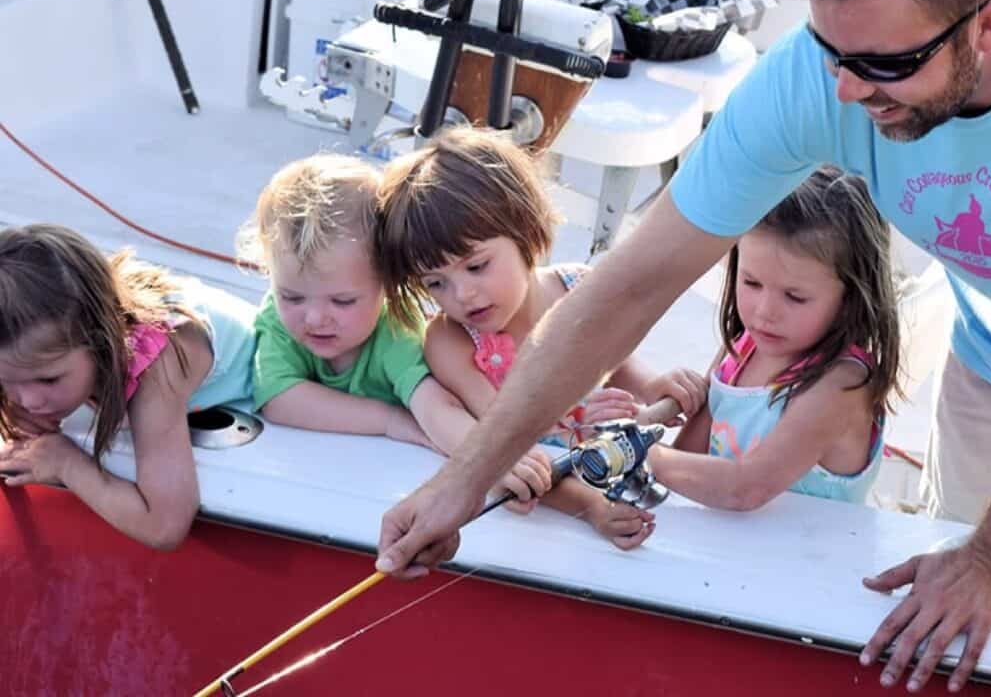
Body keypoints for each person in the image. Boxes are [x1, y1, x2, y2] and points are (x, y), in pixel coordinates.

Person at [375, 0, 991, 691]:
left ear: (989, 25)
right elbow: (632, 284)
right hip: (990, 352)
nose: (844, 90)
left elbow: (990, 563)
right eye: (828, 50)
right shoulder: (819, 76)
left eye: (883, 66)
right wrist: (467, 476)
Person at [374, 127, 707, 547]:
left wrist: (652, 388)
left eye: (476, 266)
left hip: (604, 455)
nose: (462, 295)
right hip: (540, 479)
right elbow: (504, 439)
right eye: (436, 283)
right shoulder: (449, 340)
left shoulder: (580, 289)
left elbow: (617, 362)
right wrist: (591, 504)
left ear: (524, 230)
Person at [239, 153, 550, 501]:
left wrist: (492, 460)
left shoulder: (395, 330)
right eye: (292, 297)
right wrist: (389, 421)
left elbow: (436, 409)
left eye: (342, 301)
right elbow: (279, 400)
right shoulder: (277, 320)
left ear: (389, 287)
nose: (313, 318)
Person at [646, 166, 901, 508]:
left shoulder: (842, 384)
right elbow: (686, 457)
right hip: (727, 550)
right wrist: (639, 422)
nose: (765, 312)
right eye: (751, 283)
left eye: (795, 297)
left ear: (851, 298)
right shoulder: (743, 348)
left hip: (810, 558)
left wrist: (642, 451)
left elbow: (746, 488)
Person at [0, 224, 256, 549]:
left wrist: (66, 463)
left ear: (101, 339)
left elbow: (164, 525)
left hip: (277, 374)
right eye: (6, 381)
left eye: (48, 379)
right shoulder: (49, 347)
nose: (30, 400)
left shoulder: (158, 366)